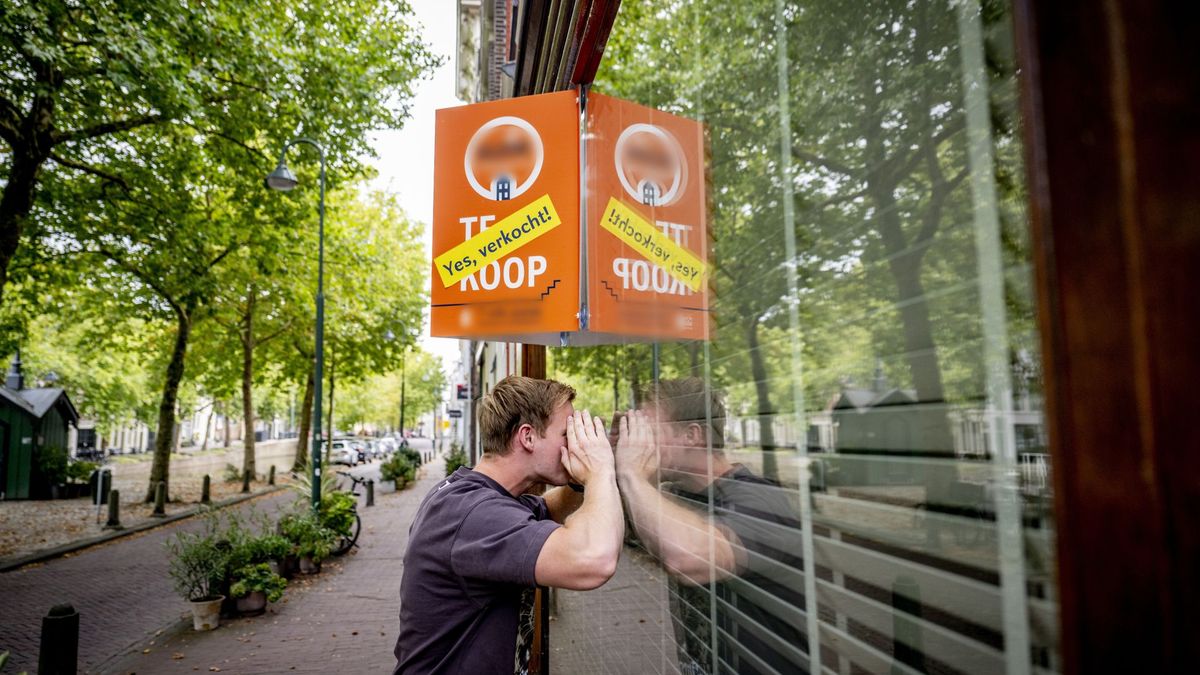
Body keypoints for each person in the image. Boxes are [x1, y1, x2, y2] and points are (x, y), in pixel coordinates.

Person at [394, 375, 624, 675]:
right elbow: (595, 560)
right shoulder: (474, 514)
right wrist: (600, 471)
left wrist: (580, 482)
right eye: (567, 433)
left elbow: (548, 508)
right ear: (527, 437)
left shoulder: (477, 494)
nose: (576, 443)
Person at [615, 378, 807, 675]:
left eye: (650, 432)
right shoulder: (678, 496)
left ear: (692, 435)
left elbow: (687, 559)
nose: (641, 443)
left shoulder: (760, 500)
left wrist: (631, 473)